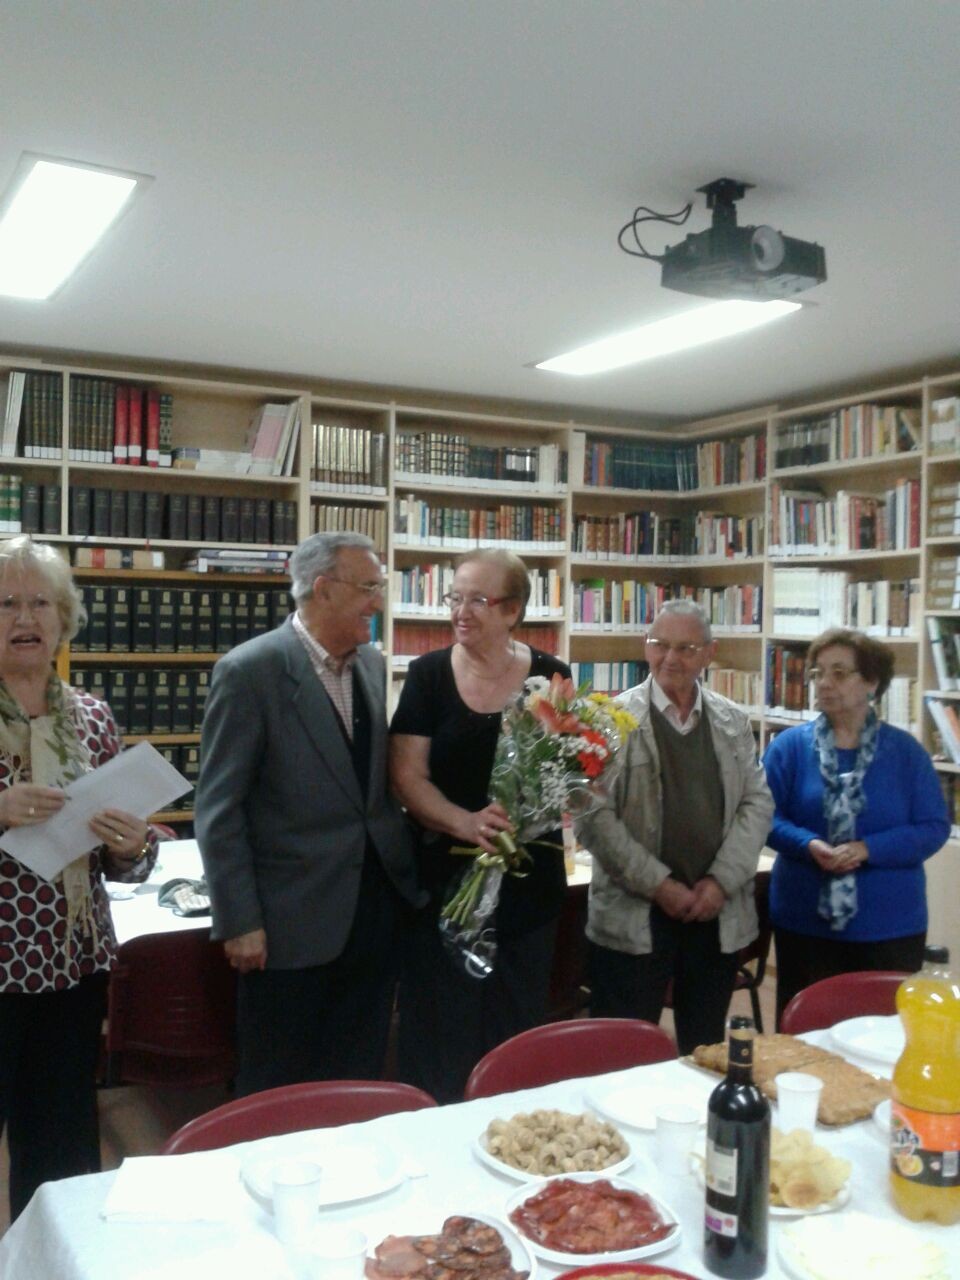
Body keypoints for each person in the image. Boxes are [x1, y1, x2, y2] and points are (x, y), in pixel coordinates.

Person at [195, 531, 422, 1094]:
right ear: (323, 589)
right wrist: (240, 919)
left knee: (357, 1072)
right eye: (370, 587)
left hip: (373, 913)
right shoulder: (250, 671)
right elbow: (219, 808)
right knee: (278, 1082)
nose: (378, 601)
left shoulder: (370, 664)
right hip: (289, 922)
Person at [0, 536, 158, 1222]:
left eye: (40, 602)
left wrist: (130, 847)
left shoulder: (91, 717)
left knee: (62, 1142)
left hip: (71, 965)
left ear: (63, 619)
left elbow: (128, 861)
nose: (24, 617)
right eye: (5, 602)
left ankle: (53, 1260)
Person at [389, 548, 571, 1102]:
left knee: (513, 1032)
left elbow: (569, 769)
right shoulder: (426, 676)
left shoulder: (551, 677)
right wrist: (464, 823)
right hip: (443, 888)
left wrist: (542, 805)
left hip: (527, 886)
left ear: (513, 610)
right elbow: (406, 777)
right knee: (440, 1035)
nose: (460, 612)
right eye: (455, 597)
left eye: (478, 600)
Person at [577, 599, 773, 1055]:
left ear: (709, 653)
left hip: (715, 914)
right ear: (645, 648)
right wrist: (659, 884)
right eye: (659, 644)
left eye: (686, 648)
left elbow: (757, 802)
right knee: (621, 1053)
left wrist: (720, 882)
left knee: (704, 1052)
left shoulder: (732, 721)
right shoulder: (608, 721)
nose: (671, 658)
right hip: (634, 916)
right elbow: (591, 816)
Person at [763, 628, 949, 1025]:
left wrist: (869, 849)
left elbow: (933, 827)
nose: (824, 683)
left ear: (872, 683)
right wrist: (808, 843)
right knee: (804, 1035)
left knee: (879, 1038)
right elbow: (763, 818)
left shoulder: (905, 753)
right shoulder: (790, 748)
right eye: (818, 673)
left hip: (889, 924)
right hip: (804, 920)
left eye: (840, 673)